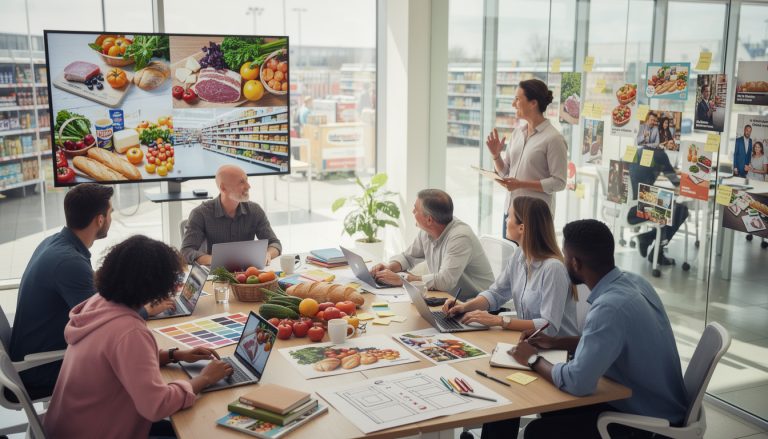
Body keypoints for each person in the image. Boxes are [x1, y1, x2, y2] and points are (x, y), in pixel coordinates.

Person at [506, 219, 687, 439]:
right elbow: (608, 340)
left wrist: (533, 360)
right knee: (551, 408)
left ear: (575, 263)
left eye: (565, 256)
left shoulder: (609, 308)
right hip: (660, 404)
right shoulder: (635, 282)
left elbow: (578, 382)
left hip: (647, 424)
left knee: (538, 432)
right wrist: (555, 343)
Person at [43, 235, 234, 439]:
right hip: (99, 431)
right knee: (200, 429)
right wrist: (205, 378)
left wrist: (175, 355)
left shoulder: (97, 303)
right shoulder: (129, 332)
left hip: (71, 426)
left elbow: (119, 361)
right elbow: (157, 405)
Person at [8, 184, 174, 401]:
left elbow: (97, 300)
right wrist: (146, 310)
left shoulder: (54, 244)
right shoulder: (69, 262)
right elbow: (103, 323)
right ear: (100, 219)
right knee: (140, 367)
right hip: (40, 369)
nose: (111, 218)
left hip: (31, 354)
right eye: (110, 213)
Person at [442, 196, 579, 335]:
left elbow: (548, 326)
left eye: (509, 216)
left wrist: (500, 321)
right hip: (529, 342)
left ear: (521, 228)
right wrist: (464, 307)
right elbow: (496, 293)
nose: (506, 220)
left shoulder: (553, 268)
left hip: (557, 351)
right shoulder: (519, 255)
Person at [369, 189, 494, 301]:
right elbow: (408, 257)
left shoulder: (460, 237)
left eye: (416, 209)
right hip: (447, 298)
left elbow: (445, 281)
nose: (412, 212)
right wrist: (389, 268)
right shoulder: (427, 231)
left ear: (429, 219)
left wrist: (403, 279)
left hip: (475, 304)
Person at [485, 78, 567, 235]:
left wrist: (521, 184)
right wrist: (496, 156)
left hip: (535, 218)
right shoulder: (517, 133)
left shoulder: (553, 139)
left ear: (533, 103)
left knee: (532, 260)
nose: (513, 104)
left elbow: (559, 182)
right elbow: (506, 173)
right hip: (511, 213)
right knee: (510, 258)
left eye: (517, 99)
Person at [181, 164, 282, 266]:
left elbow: (275, 244)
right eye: (241, 182)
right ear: (223, 188)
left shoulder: (255, 210)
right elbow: (186, 252)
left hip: (248, 275)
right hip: (217, 275)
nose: (248, 186)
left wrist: (267, 254)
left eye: (247, 180)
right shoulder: (200, 214)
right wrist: (216, 260)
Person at [628, 147, 688, 265]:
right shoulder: (660, 154)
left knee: (670, 207)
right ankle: (656, 251)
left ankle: (648, 239)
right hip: (640, 206)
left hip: (628, 206)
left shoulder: (637, 150)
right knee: (681, 210)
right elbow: (673, 179)